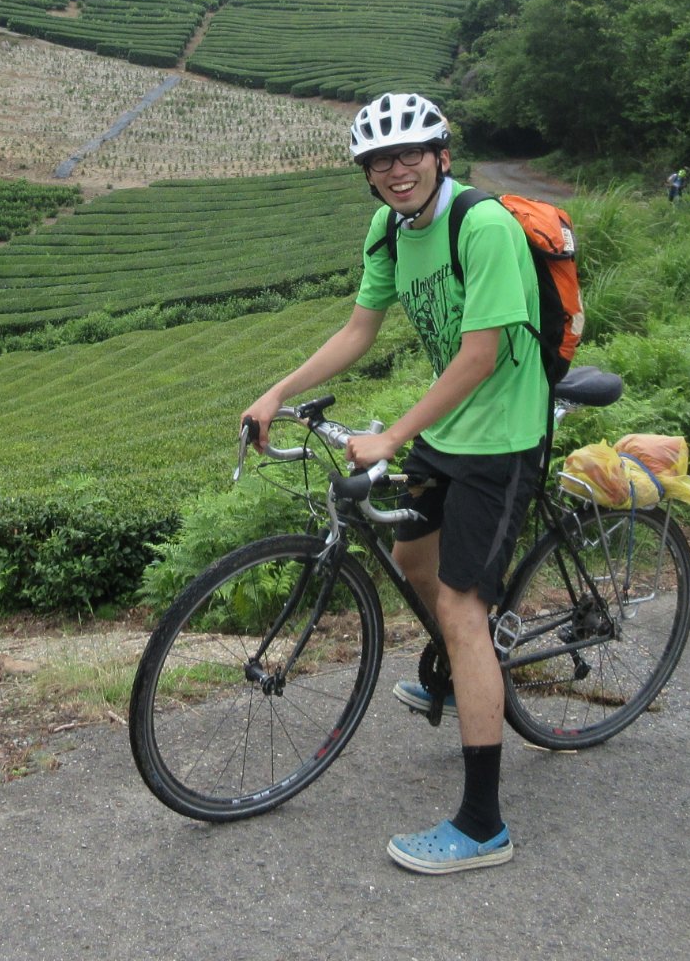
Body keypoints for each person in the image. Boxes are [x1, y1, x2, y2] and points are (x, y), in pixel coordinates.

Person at [242, 91, 549, 875]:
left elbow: (479, 356)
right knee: (414, 560)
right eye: (381, 160)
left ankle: (484, 826)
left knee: (461, 606)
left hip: (504, 439)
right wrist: (276, 390)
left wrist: (392, 434)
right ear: (369, 177)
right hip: (447, 432)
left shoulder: (480, 226)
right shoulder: (387, 228)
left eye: (411, 153)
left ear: (441, 155)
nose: (396, 169)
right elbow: (358, 329)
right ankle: (463, 662)